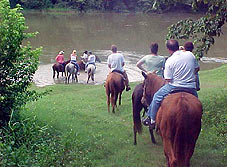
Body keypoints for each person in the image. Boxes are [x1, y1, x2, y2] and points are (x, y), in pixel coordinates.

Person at [143, 39, 198, 128]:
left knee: (157, 97)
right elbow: (196, 69)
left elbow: (168, 79)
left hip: (174, 87)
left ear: (168, 49)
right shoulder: (190, 55)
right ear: (178, 46)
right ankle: (199, 118)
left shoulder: (169, 60)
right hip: (190, 87)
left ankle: (152, 119)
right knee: (197, 101)